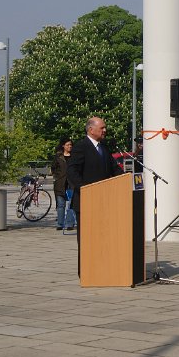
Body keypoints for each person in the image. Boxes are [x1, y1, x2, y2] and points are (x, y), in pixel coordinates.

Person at [67, 117, 121, 276]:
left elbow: (114, 169)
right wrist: (86, 189)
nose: (105, 130)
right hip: (86, 201)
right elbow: (72, 172)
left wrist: (128, 178)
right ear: (91, 129)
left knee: (102, 238)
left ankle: (102, 267)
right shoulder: (81, 147)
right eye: (102, 128)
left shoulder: (103, 148)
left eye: (105, 128)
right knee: (87, 240)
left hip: (104, 201)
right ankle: (85, 272)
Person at [51, 137, 74, 231]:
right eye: (68, 145)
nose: (70, 146)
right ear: (63, 146)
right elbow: (53, 168)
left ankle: (70, 223)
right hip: (60, 184)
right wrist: (56, 178)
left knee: (71, 204)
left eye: (71, 145)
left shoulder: (74, 156)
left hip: (72, 183)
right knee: (61, 204)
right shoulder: (58, 157)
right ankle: (60, 224)